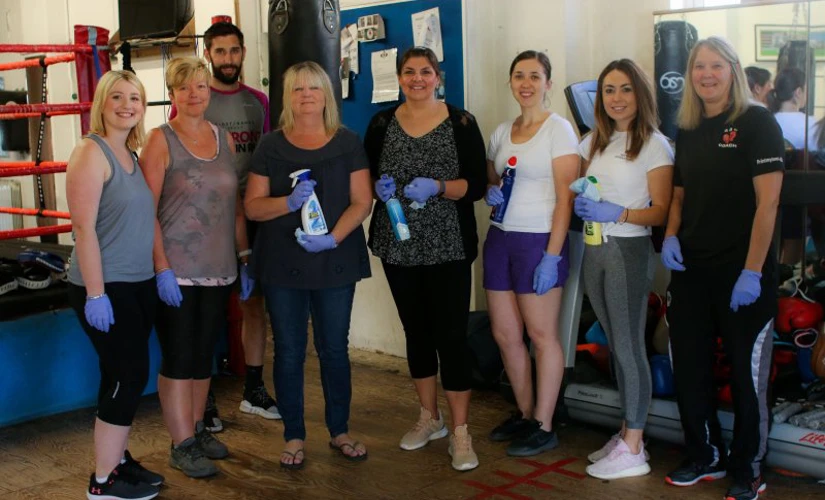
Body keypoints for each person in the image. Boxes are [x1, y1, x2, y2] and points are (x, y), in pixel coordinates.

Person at [661, 37, 784, 500]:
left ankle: (748, 468)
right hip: (692, 271)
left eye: (716, 66)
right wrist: (671, 235)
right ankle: (705, 454)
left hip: (742, 274)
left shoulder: (756, 122)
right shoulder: (688, 126)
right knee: (688, 368)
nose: (706, 74)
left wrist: (752, 271)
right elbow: (679, 194)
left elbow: (767, 204)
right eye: (698, 67)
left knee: (745, 378)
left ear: (732, 71)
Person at [364, 46, 487, 471]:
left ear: (438, 77)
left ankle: (461, 432)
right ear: (400, 78)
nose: (417, 78)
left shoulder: (461, 123)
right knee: (415, 332)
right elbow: (366, 176)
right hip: (398, 244)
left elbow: (476, 186)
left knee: (450, 336)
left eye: (425, 71)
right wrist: (376, 192)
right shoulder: (381, 124)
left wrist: (437, 186)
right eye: (409, 72)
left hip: (448, 245)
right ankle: (428, 417)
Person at [245, 61, 372, 470]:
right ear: (288, 96)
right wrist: (288, 203)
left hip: (335, 260)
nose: (306, 95)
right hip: (283, 263)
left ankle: (340, 430)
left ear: (326, 94)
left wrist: (332, 238)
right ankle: (294, 435)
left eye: (313, 88)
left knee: (334, 348)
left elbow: (362, 201)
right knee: (288, 350)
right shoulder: (270, 146)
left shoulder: (348, 142)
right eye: (297, 88)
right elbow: (253, 206)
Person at [139, 57, 250, 479]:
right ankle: (181, 442)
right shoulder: (159, 140)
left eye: (200, 87)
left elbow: (235, 207)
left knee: (204, 355)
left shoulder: (224, 139)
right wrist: (161, 267)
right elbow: (145, 211)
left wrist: (244, 257)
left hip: (219, 268)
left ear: (209, 91)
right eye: (184, 88)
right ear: (172, 94)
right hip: (176, 270)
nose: (194, 94)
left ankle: (198, 429)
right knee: (179, 356)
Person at [573, 59, 674, 479]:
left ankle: (634, 446)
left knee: (630, 346)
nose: (617, 98)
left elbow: (663, 210)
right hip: (595, 248)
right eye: (609, 90)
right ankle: (627, 431)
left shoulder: (654, 144)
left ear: (641, 94)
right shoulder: (593, 141)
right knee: (615, 345)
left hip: (629, 251)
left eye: (626, 89)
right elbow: (572, 182)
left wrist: (621, 212)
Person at [66, 70, 163, 500]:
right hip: (106, 286)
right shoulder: (91, 152)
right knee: (129, 374)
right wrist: (96, 293)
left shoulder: (133, 155)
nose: (127, 105)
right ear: (102, 103)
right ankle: (102, 482)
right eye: (118, 97)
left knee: (118, 374)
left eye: (135, 98)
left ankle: (117, 459)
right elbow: (83, 230)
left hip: (136, 283)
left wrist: (159, 271)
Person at [482, 50, 579, 458]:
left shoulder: (560, 130)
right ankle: (524, 414)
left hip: (539, 239)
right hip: (500, 239)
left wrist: (551, 256)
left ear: (548, 84)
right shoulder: (502, 131)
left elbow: (565, 200)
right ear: (510, 82)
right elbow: (493, 175)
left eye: (535, 76)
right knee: (506, 335)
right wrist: (491, 190)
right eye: (519, 75)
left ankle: (544, 423)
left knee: (542, 336)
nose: (526, 83)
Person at [183, 20, 279, 432]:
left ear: (242, 53)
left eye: (233, 51)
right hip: (207, 221)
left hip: (252, 216)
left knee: (254, 306)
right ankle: (203, 403)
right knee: (207, 313)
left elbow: (271, 157)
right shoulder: (197, 101)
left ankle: (253, 390)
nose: (227, 59)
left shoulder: (258, 102)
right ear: (208, 55)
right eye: (219, 52)